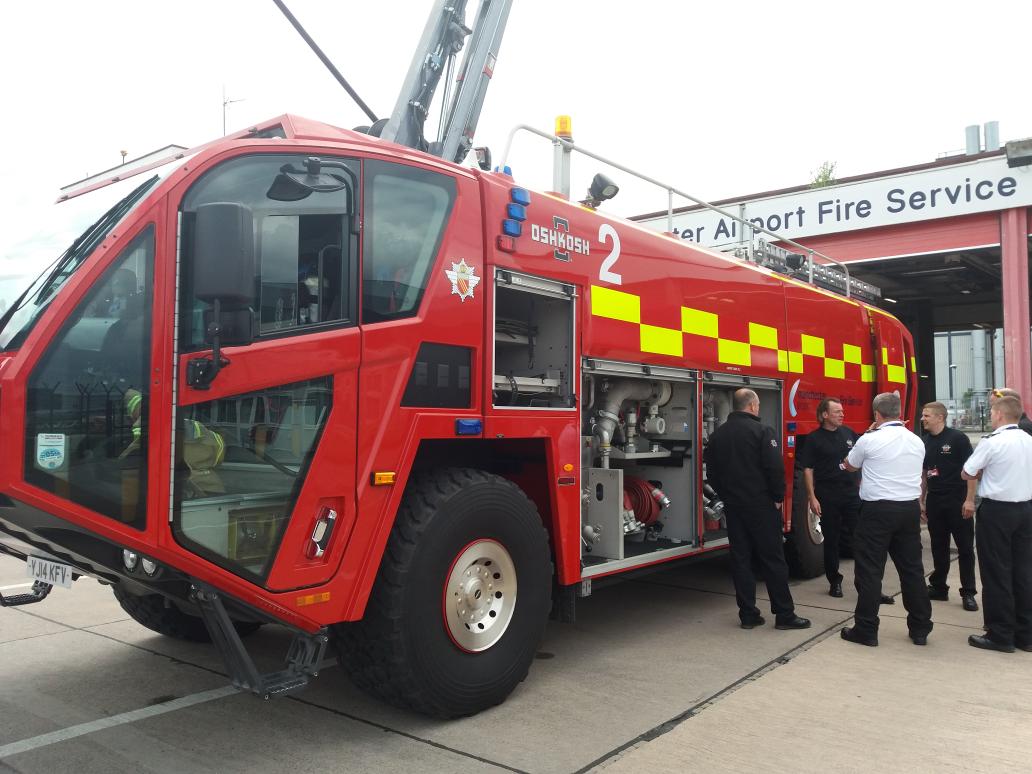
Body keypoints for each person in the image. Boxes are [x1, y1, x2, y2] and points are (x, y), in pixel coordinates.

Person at [704, 388, 811, 631]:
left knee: (741, 559)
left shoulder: (718, 435)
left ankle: (748, 615)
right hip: (761, 505)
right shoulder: (763, 431)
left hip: (734, 507)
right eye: (758, 405)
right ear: (752, 406)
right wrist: (777, 496)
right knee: (773, 559)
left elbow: (712, 472)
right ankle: (784, 614)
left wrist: (726, 495)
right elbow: (775, 468)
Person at [840, 392, 932, 647]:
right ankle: (920, 628)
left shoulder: (869, 440)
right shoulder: (916, 440)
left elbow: (849, 465)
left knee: (870, 571)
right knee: (912, 570)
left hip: (877, 511)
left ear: (876, 414)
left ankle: (866, 629)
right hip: (908, 510)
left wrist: (868, 433)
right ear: (899, 412)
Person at [961, 395, 1032, 653]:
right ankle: (1026, 635)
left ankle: (1000, 634)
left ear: (1000, 414)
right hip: (1026, 509)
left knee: (996, 572)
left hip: (998, 511)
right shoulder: (1029, 439)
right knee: (1023, 572)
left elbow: (967, 472)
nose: (990, 417)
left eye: (992, 413)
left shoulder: (992, 442)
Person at [798, 397, 861, 598]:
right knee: (831, 541)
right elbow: (808, 469)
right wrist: (812, 497)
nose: (842, 414)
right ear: (825, 415)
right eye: (837, 412)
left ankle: (866, 584)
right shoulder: (814, 439)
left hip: (851, 495)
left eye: (842, 411)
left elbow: (862, 457)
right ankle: (835, 582)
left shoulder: (849, 434)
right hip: (828, 495)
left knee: (860, 539)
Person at [920, 401, 977, 611]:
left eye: (927, 415)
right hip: (935, 501)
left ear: (940, 417)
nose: (923, 419)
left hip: (958, 500)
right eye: (923, 415)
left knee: (965, 548)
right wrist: (921, 500)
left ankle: (968, 592)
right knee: (938, 546)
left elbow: (971, 471)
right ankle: (939, 587)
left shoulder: (958, 439)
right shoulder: (924, 442)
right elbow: (924, 474)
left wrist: (969, 499)